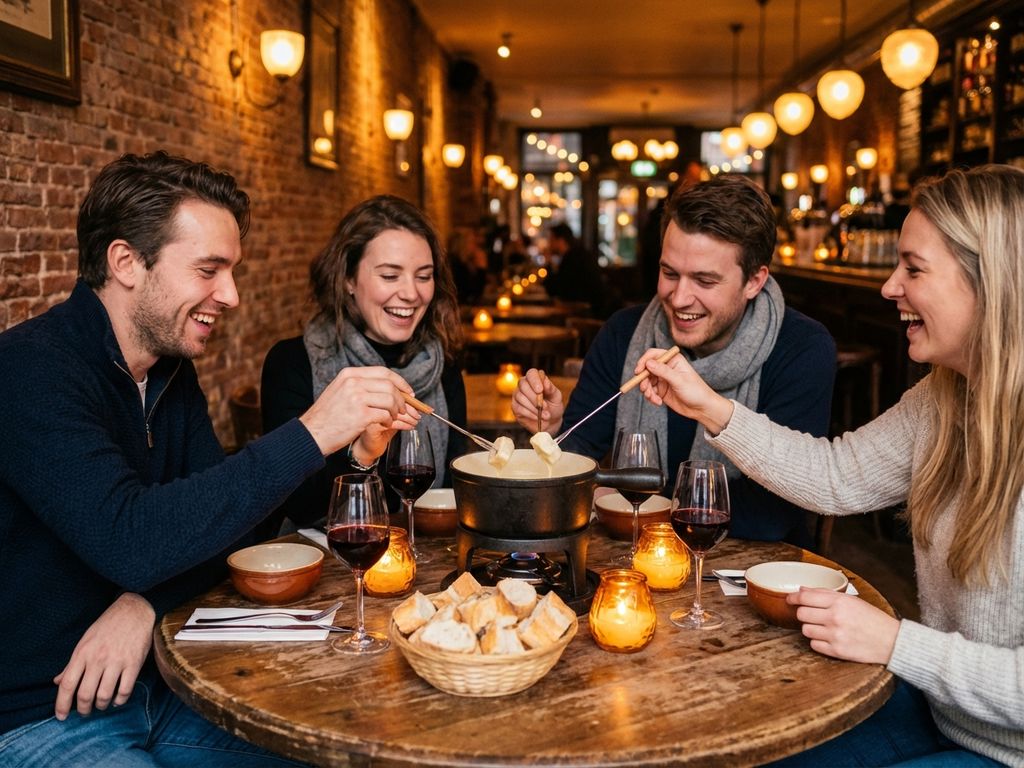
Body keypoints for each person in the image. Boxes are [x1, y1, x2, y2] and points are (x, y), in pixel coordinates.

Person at [0, 151, 412, 766]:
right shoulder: (30, 370)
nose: (231, 294)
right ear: (125, 263)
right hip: (42, 715)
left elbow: (231, 530)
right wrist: (311, 432)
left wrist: (145, 604)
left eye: (231, 271)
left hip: (165, 685)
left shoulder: (169, 373)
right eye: (208, 270)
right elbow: (132, 538)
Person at [635, 165, 1024, 766]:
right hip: (947, 712)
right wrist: (711, 409)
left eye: (914, 269)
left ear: (990, 283)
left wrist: (898, 643)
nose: (889, 287)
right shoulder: (946, 400)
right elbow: (835, 477)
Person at [512, 175, 836, 545]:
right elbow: (574, 466)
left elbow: (771, 516)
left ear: (754, 281)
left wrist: (631, 504)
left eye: (704, 281)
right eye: (669, 273)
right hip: (635, 563)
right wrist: (553, 431)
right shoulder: (623, 333)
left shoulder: (802, 349)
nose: (680, 298)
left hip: (758, 576)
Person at [261, 195, 466, 530]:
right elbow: (298, 505)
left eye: (424, 276)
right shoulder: (292, 363)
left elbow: (455, 491)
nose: (411, 293)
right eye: (390, 276)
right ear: (348, 280)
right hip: (325, 562)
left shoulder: (443, 365)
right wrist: (362, 454)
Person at [543, 222, 612, 317]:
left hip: (586, 315)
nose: (548, 244)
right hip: (591, 310)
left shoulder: (572, 258)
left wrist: (548, 263)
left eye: (551, 240)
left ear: (561, 240)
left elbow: (554, 290)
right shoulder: (578, 254)